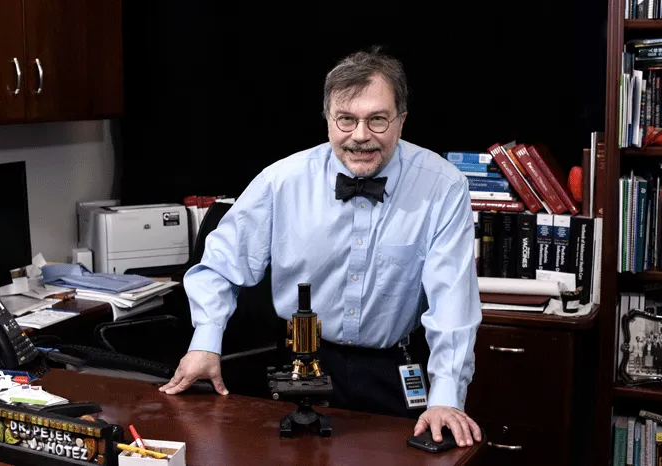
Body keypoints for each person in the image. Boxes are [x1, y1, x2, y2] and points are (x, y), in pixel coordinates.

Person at [159, 45, 483, 447]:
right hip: (294, 367)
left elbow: (452, 298)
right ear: (328, 120)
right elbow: (219, 266)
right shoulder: (281, 180)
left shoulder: (443, 185)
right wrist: (206, 343)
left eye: (377, 120)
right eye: (346, 120)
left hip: (390, 367)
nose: (360, 136)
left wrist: (446, 396)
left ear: (401, 120)